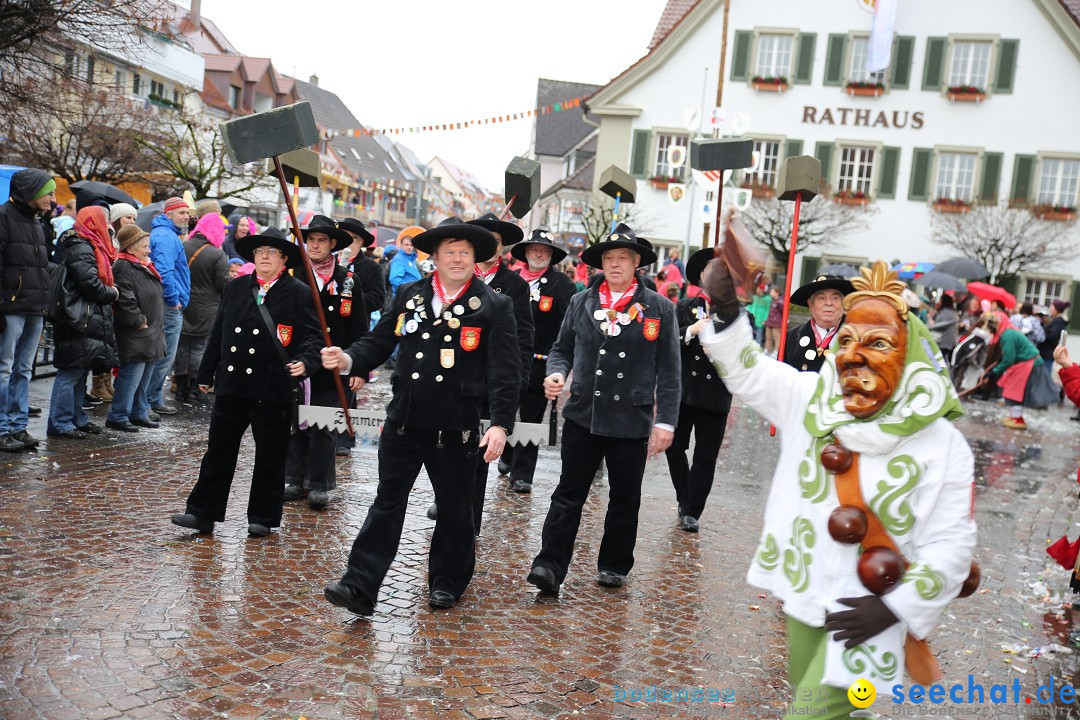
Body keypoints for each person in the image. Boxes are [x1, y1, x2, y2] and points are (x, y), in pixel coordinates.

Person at [698, 258, 977, 718]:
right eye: (848, 340)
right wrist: (727, 308)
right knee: (831, 708)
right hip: (805, 597)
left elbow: (953, 542)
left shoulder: (941, 443)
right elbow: (749, 372)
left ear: (908, 355)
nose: (856, 355)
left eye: (879, 343)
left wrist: (895, 609)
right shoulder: (812, 401)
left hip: (871, 613)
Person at [319, 219, 519, 614]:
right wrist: (347, 358)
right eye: (450, 251)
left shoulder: (494, 305)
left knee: (455, 510)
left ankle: (447, 581)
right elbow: (379, 342)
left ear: (475, 258)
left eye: (464, 252)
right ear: (436, 257)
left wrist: (499, 424)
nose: (457, 258)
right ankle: (359, 584)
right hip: (404, 421)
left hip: (456, 427)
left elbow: (505, 371)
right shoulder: (411, 293)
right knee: (387, 504)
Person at [527, 224, 680, 595]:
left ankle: (614, 563)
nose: (614, 265)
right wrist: (557, 373)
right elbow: (561, 348)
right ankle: (549, 564)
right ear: (600, 264)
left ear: (636, 263)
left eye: (622, 258)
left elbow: (670, 371)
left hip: (632, 418)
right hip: (584, 413)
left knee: (625, 498)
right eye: (609, 259)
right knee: (568, 493)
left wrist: (665, 422)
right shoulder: (582, 301)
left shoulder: (660, 308)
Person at [170, 228, 322, 537]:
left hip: (272, 386)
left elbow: (314, 339)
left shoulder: (300, 292)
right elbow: (219, 331)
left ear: (284, 259)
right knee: (218, 452)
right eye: (259, 251)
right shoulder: (236, 287)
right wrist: (206, 370)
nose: (264, 256)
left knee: (270, 455)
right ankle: (202, 513)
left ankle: (263, 517)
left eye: (271, 251)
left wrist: (306, 362)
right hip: (233, 383)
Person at [455, 212, 533, 533]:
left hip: (489, 386)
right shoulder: (456, 277)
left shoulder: (514, 286)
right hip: (453, 382)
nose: (488, 247)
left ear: (502, 249)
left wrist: (517, 385)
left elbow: (523, 340)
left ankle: (468, 522)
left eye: (495, 242)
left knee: (476, 456)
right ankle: (450, 501)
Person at [283, 216, 367, 509]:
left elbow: (359, 327)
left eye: (321, 240)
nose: (314, 245)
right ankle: (295, 478)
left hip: (334, 364)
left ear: (333, 244)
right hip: (300, 362)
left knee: (324, 424)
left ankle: (319, 484)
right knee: (297, 422)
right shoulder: (294, 276)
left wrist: (359, 367)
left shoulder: (348, 280)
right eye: (310, 240)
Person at [665, 248, 733, 534]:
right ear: (702, 276)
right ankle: (685, 495)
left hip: (715, 395)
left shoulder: (736, 312)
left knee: (705, 456)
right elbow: (669, 341)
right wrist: (690, 332)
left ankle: (692, 510)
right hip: (684, 392)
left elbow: (744, 355)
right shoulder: (685, 305)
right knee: (674, 447)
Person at [503, 229, 576, 494]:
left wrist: (562, 360)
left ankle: (523, 475)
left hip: (540, 361)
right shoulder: (511, 281)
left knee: (532, 417)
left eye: (545, 250)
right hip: (508, 359)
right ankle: (507, 454)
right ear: (525, 253)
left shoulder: (562, 285)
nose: (539, 253)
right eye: (535, 249)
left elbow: (567, 326)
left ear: (551, 256)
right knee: (506, 410)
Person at [47, 206, 119, 439]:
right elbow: (89, 284)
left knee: (80, 371)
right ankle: (59, 422)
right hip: (78, 318)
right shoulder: (82, 246)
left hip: (86, 317)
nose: (108, 224)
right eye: (104, 220)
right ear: (94, 222)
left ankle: (77, 417)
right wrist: (112, 293)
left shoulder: (89, 245)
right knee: (70, 372)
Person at [0, 170, 55, 452]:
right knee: (5, 368)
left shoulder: (36, 222)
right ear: (33, 192)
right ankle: (2, 428)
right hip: (12, 305)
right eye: (49, 192)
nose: (53, 199)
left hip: (34, 306)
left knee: (23, 370)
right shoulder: (4, 216)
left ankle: (17, 425)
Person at [106, 226, 165, 432]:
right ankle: (118, 415)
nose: (149, 250)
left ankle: (138, 412)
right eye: (145, 246)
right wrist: (140, 321)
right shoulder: (123, 267)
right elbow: (125, 301)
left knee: (143, 375)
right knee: (131, 375)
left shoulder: (140, 265)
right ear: (130, 248)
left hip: (149, 330)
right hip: (137, 331)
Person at [176, 213, 229, 404]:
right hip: (206, 306)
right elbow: (222, 283)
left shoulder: (184, 246)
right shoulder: (217, 254)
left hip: (183, 302)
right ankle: (194, 389)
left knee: (182, 346)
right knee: (199, 347)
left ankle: (180, 388)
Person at [146, 197, 192, 416]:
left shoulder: (168, 234)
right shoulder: (165, 236)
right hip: (168, 304)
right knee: (164, 356)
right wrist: (173, 301)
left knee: (163, 356)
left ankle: (151, 399)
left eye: (187, 213)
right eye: (181, 212)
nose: (186, 217)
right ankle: (148, 400)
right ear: (169, 214)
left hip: (167, 302)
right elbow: (165, 273)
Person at [985, 313, 1058, 429]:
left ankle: (1018, 419)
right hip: (1025, 364)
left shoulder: (1008, 334)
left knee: (1014, 392)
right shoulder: (1009, 332)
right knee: (1011, 390)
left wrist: (994, 371)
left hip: (1028, 365)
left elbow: (1009, 359)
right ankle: (1014, 417)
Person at [783, 274, 855, 373]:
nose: (829, 303)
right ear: (810, 304)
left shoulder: (855, 340)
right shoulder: (790, 338)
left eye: (835, 298)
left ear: (844, 304)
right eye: (821, 298)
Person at [927, 294, 958, 367]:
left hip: (943, 340)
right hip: (948, 341)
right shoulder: (952, 312)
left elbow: (939, 324)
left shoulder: (946, 312)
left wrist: (931, 320)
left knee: (938, 360)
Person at [388, 231, 421, 295]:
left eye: (411, 245)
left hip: (412, 294)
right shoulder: (399, 259)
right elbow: (394, 279)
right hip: (405, 296)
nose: (409, 247)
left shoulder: (411, 259)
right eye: (406, 245)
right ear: (401, 245)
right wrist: (407, 291)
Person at [763, 286, 783, 357]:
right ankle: (767, 349)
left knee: (777, 338)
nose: (770, 293)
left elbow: (783, 312)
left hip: (776, 324)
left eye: (772, 292)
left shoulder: (780, 302)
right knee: (768, 337)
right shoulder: (772, 301)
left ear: (777, 293)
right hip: (770, 323)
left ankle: (776, 351)